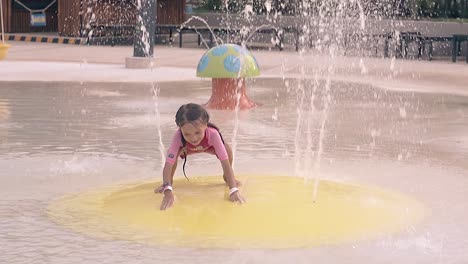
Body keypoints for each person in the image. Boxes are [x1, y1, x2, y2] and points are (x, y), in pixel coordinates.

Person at [155, 103, 245, 210]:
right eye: (187, 134)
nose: (193, 138)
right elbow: (168, 166)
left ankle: (227, 178)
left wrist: (233, 190)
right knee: (171, 154)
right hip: (186, 149)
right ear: (180, 129)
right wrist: (168, 191)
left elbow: (225, 163)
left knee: (227, 149)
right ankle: (169, 183)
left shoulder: (213, 135)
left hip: (208, 147)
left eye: (197, 132)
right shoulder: (178, 137)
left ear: (206, 125)